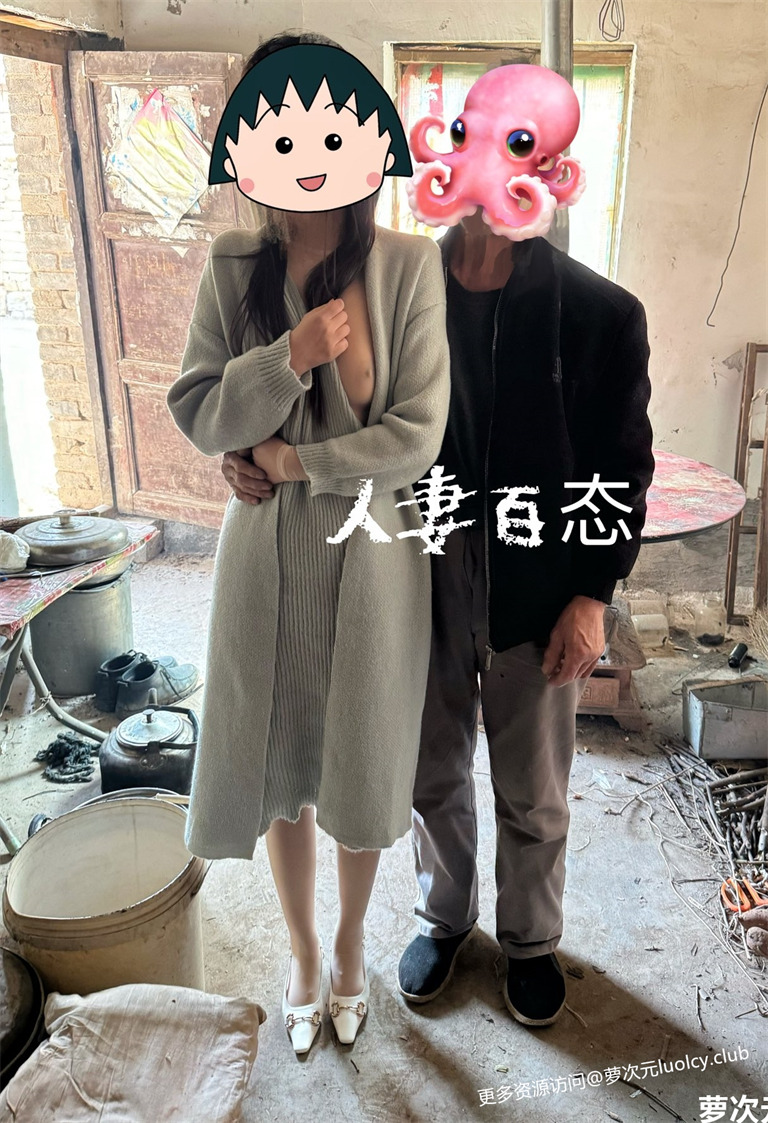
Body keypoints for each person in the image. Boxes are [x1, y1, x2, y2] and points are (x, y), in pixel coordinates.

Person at [223, 61, 654, 1030]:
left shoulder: (600, 313)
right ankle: (446, 914)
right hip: (413, 559)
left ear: (550, 171)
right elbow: (322, 403)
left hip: (539, 571)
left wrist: (594, 594)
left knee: (532, 782)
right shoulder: (395, 281)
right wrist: (241, 455)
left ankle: (531, 938)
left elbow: (625, 466)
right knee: (429, 763)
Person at [167, 32, 450, 1055]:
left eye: (328, 133)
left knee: (359, 757)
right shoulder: (233, 264)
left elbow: (417, 433)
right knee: (282, 749)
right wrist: (286, 357)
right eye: (279, 135)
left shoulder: (409, 265)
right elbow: (201, 408)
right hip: (267, 558)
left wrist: (293, 461)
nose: (306, 159)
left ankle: (348, 943)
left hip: (372, 553)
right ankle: (297, 949)